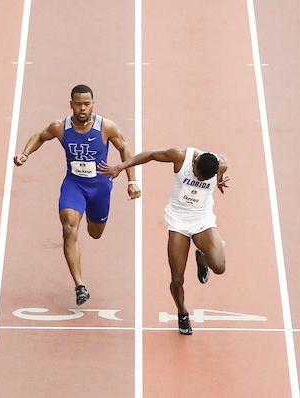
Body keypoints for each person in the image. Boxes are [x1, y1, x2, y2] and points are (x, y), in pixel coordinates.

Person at [13, 84, 139, 305]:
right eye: (78, 104)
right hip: (74, 185)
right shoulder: (60, 127)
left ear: (93, 104)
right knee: (69, 227)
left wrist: (131, 179)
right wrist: (25, 154)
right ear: (71, 104)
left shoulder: (106, 127)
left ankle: (94, 222)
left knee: (95, 233)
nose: (82, 109)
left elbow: (124, 147)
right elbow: (40, 136)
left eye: (87, 104)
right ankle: (80, 285)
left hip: (100, 187)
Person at [100, 146, 229, 335]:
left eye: (204, 180)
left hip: (202, 219)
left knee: (219, 267)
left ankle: (202, 258)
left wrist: (218, 181)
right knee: (177, 278)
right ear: (193, 163)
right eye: (197, 176)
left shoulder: (221, 165)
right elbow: (151, 155)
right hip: (178, 221)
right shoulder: (180, 156)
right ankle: (182, 313)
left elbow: (219, 175)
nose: (199, 181)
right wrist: (121, 166)